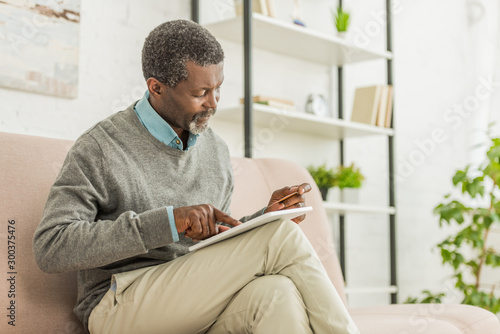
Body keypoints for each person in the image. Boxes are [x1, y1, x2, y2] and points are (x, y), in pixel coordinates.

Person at [33, 19, 359, 334]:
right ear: (156, 88)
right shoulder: (102, 147)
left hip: (194, 298)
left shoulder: (215, 150)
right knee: (280, 239)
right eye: (201, 92)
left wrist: (262, 219)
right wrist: (168, 221)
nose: (214, 103)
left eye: (218, 88)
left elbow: (211, 243)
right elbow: (51, 247)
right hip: (118, 305)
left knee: (277, 293)